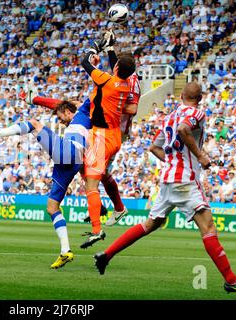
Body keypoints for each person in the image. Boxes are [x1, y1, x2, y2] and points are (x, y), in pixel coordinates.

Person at [93, 83, 236, 296]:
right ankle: (232, 281)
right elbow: (183, 129)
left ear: (181, 96)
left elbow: (154, 147)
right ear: (200, 98)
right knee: (208, 229)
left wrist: (171, 162)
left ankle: (106, 255)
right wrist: (200, 156)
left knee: (151, 223)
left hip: (168, 179)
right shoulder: (197, 113)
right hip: (185, 181)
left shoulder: (169, 116)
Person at [0, 98, 90, 269]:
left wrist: (36, 99)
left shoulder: (83, 112)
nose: (61, 122)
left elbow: (94, 92)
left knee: (33, 123)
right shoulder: (81, 121)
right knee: (52, 208)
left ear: (68, 111)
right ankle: (65, 251)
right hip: (72, 163)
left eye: (61, 118)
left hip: (70, 151)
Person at [79, 32, 136, 248]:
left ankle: (96, 229)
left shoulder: (106, 81)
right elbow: (117, 67)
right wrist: (110, 49)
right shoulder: (124, 84)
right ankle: (115, 208)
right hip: (112, 136)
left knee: (91, 184)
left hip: (101, 137)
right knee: (91, 175)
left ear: (116, 69)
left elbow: (84, 62)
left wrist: (97, 46)